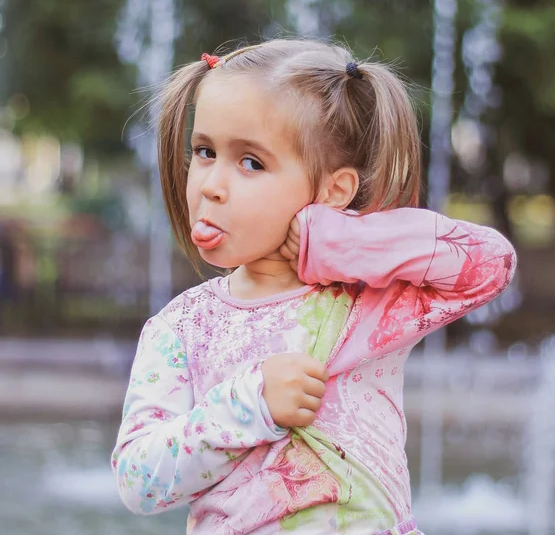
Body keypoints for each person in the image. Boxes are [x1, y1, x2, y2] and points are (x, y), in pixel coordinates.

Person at [111, 38, 517, 534]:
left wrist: (340, 239)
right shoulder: (184, 326)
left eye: (251, 162)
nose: (210, 184)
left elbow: (490, 263)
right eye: (205, 151)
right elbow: (137, 480)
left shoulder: (366, 301)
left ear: (333, 190)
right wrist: (247, 406)